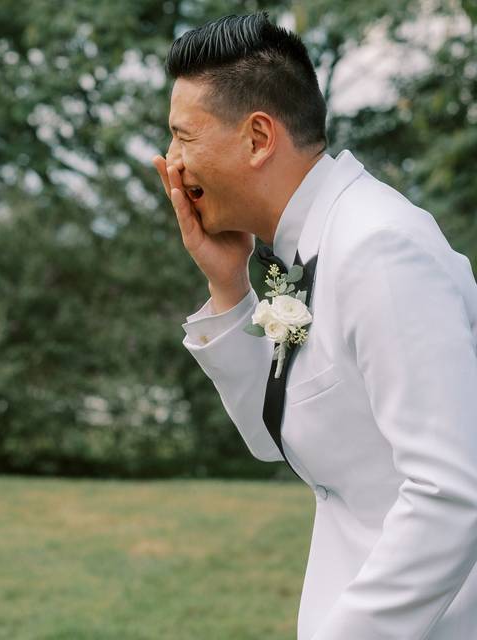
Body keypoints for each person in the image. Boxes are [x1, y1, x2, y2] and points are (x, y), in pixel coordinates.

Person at [153, 13, 477, 639]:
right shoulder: (305, 251)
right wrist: (228, 284)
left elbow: (452, 490)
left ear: (257, 138)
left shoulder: (380, 249)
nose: (171, 164)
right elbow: (273, 437)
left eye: (183, 138)